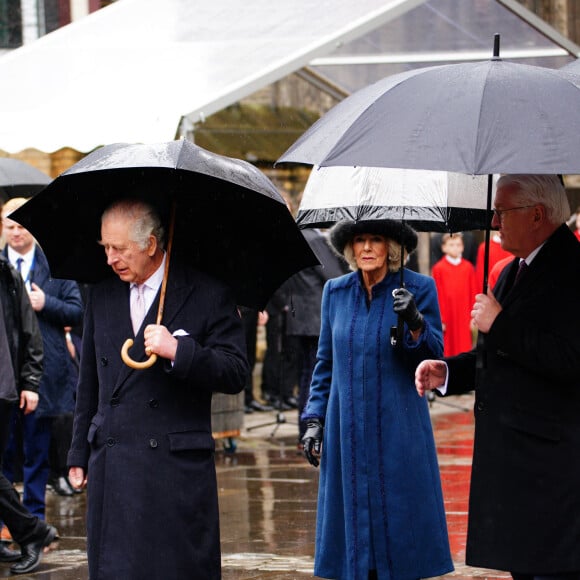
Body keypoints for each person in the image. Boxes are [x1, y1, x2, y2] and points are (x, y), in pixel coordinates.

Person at [67, 198, 249, 579]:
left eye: (120, 249)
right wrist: (78, 453)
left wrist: (180, 351)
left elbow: (235, 372)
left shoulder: (206, 291)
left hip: (173, 470)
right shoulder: (101, 294)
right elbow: (90, 383)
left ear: (150, 245)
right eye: (106, 248)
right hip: (113, 464)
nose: (110, 259)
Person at [415, 174, 580, 580]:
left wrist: (501, 323)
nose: (493, 221)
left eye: (502, 211)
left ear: (537, 214)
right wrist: (449, 370)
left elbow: (570, 358)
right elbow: (497, 354)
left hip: (552, 464)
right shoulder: (513, 271)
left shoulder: (573, 269)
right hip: (519, 461)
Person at [301, 219, 453, 580]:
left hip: (398, 426)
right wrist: (313, 420)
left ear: (393, 248)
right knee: (351, 545)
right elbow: (325, 363)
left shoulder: (419, 287)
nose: (366, 248)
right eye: (359, 240)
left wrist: (415, 321)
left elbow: (435, 358)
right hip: (347, 428)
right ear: (350, 248)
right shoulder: (335, 292)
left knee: (401, 537)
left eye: (376, 240)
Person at [1, 198, 83, 519]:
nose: (16, 233)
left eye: (21, 226)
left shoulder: (55, 266)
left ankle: (35, 520)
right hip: (6, 374)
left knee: (37, 452)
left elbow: (77, 311)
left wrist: (46, 302)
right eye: (10, 226)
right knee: (6, 453)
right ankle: (7, 524)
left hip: (45, 374)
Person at [0, 205, 58, 575]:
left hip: (3, 388)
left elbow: (27, 332)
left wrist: (30, 381)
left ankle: (33, 530)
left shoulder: (6, 274)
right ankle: (30, 531)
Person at [284, 228, 349, 444]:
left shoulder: (295, 236)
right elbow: (332, 274)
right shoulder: (313, 239)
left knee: (306, 375)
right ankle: (310, 428)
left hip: (299, 316)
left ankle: (306, 429)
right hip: (315, 317)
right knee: (314, 376)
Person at [431, 232, 477, 356]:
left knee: (464, 347)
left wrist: (473, 315)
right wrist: (440, 318)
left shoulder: (468, 267)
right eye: (451, 245)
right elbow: (436, 294)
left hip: (464, 314)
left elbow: (473, 291)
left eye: (458, 245)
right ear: (444, 247)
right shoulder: (438, 268)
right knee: (448, 348)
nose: (455, 247)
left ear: (463, 247)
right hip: (447, 315)